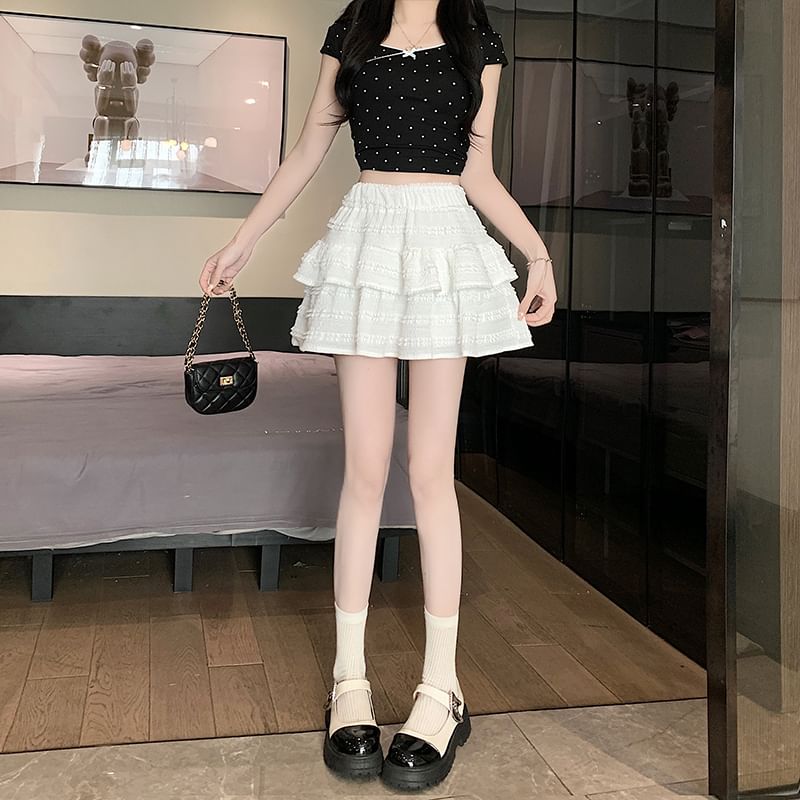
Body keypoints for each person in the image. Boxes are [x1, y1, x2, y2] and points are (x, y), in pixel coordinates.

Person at [199, 0, 556, 791]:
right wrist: (243, 240)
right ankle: (349, 681)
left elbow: (476, 169)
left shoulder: (477, 41)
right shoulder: (353, 31)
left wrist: (536, 254)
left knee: (431, 474)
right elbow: (306, 150)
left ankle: (441, 689)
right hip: (367, 239)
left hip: (443, 244)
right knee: (365, 471)